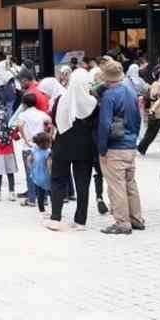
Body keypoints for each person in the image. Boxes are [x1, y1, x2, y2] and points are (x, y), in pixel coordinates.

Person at [96, 60, 143, 235]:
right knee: (131, 183)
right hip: (130, 145)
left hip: (115, 147)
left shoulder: (109, 95)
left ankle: (122, 223)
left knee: (116, 186)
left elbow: (105, 125)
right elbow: (138, 119)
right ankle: (136, 218)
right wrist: (134, 140)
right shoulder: (130, 91)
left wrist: (102, 149)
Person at [49, 68, 98, 230]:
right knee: (83, 184)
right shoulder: (93, 102)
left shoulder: (61, 100)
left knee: (58, 180)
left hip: (62, 146)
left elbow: (55, 121)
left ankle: (55, 217)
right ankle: (80, 221)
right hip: (85, 149)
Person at [13, 93, 51, 207]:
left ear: (24, 104)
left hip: (28, 146)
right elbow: (50, 122)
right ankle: (44, 198)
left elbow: (19, 125)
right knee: (43, 172)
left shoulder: (23, 115)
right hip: (41, 146)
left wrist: (25, 139)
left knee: (30, 174)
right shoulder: (42, 114)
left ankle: (32, 199)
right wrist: (48, 135)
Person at [28, 132, 53, 214]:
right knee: (52, 195)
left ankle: (42, 211)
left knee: (40, 196)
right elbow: (49, 167)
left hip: (36, 176)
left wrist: (32, 169)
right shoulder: (49, 152)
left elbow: (29, 160)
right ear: (45, 143)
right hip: (46, 178)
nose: (51, 143)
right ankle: (54, 211)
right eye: (49, 141)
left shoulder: (34, 149)